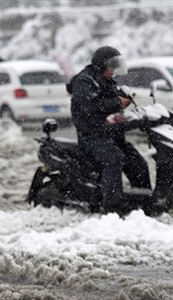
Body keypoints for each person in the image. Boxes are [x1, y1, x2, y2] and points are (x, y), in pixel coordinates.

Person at [67, 46, 151, 214]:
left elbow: (109, 100)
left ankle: (145, 202)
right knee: (113, 159)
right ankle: (112, 207)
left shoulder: (106, 80)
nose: (113, 71)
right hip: (91, 137)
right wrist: (117, 103)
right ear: (100, 65)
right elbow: (92, 107)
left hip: (110, 135)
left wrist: (125, 99)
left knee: (136, 161)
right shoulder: (84, 82)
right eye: (111, 66)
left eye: (115, 66)